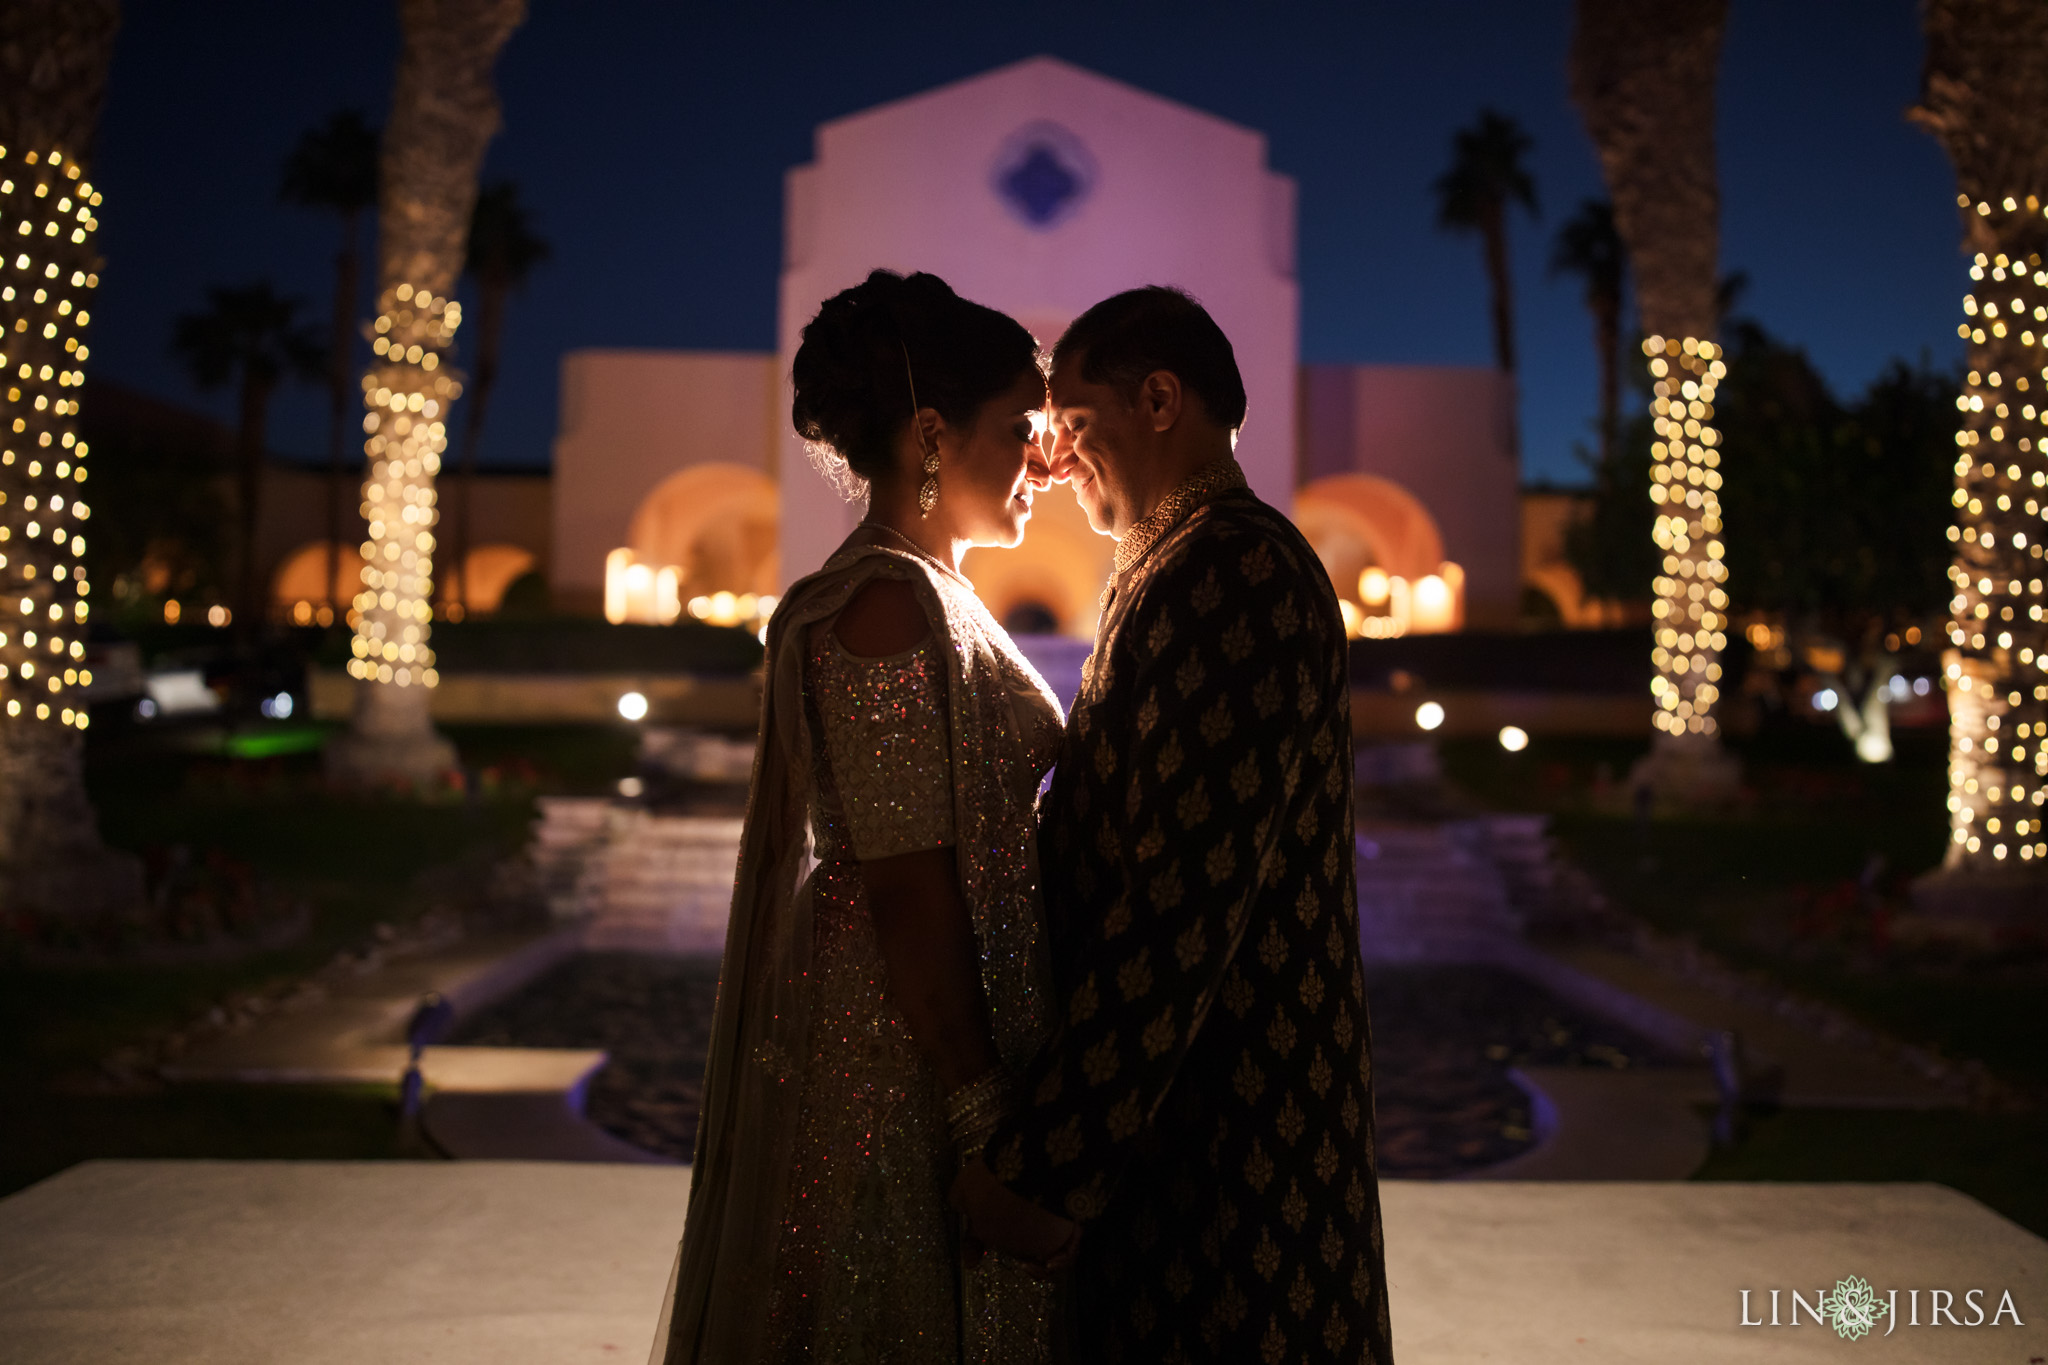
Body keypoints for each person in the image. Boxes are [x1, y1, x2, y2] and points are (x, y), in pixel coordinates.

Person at [951, 287, 1395, 1364]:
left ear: (1159, 398)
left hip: (1232, 1160)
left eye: (1072, 422)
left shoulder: (1234, 568)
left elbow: (1179, 904)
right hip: (1173, 1137)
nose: (1052, 458)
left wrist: (1046, 1169)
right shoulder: (1171, 559)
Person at [649, 269, 1077, 1364]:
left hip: (936, 1020)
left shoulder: (937, 588)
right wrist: (978, 1102)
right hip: (893, 1047)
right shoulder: (884, 606)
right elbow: (904, 882)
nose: (1039, 461)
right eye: (1014, 429)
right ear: (931, 435)